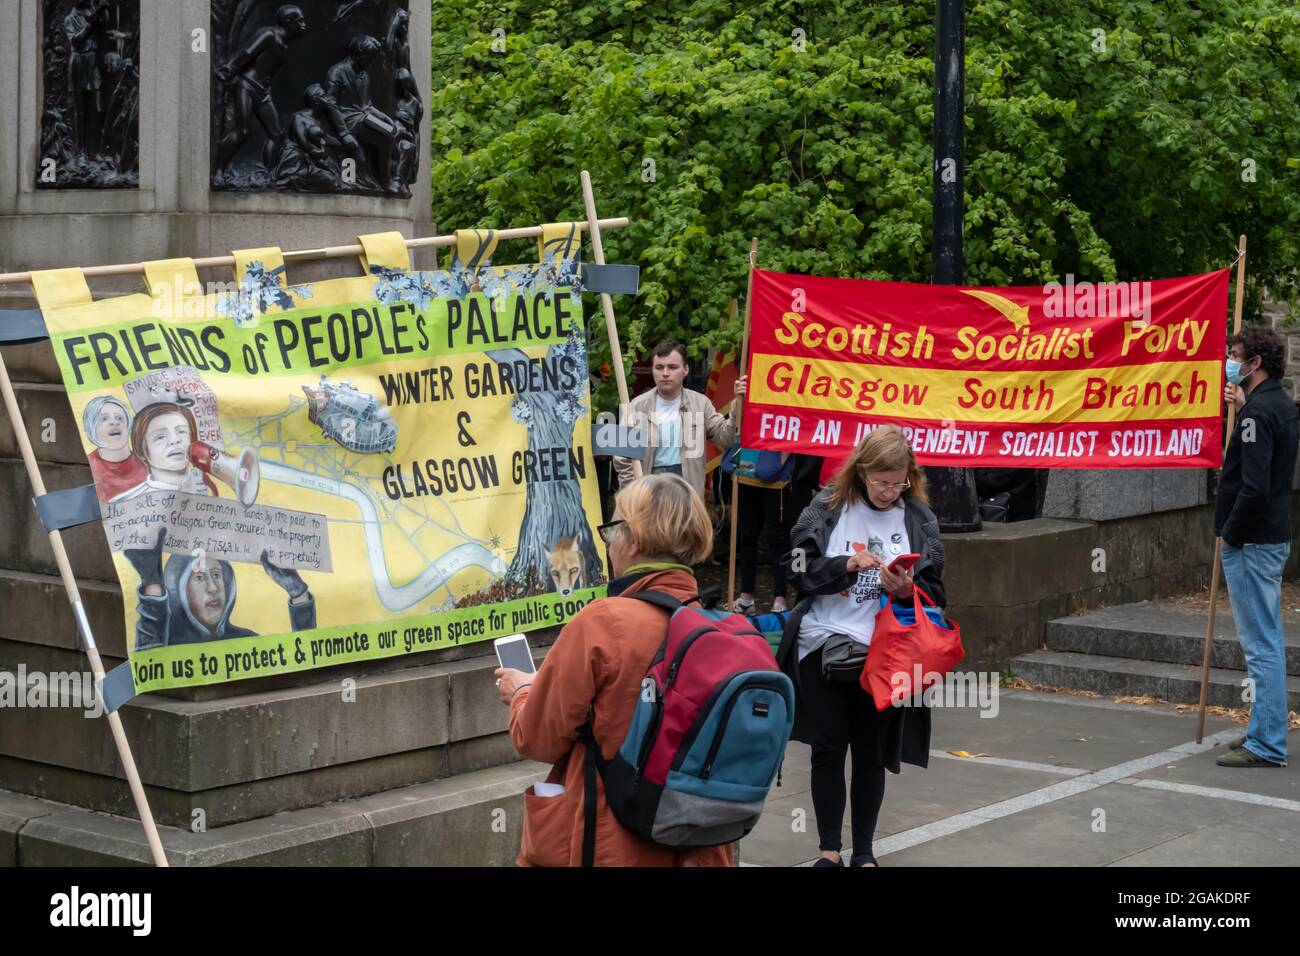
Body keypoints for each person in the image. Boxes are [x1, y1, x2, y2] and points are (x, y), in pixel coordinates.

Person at [494, 473, 731, 866]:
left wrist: (522, 692)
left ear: (633, 539)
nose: (609, 544)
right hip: (699, 842)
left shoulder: (602, 622)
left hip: (612, 840)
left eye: (613, 529)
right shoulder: (718, 627)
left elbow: (538, 738)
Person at [775, 425, 946, 866]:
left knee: (871, 753)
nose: (891, 490)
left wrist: (908, 591)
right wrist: (844, 564)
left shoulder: (919, 520)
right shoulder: (826, 507)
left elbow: (937, 595)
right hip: (823, 645)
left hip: (885, 653)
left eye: (900, 481)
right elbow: (793, 568)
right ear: (862, 471)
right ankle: (829, 851)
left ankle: (865, 853)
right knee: (828, 748)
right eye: (882, 481)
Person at [1214, 327, 1299, 768]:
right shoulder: (1278, 407)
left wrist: (1230, 533)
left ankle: (1266, 743)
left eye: (1236, 355)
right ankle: (1263, 729)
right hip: (1269, 537)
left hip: (1252, 541)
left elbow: (1254, 486)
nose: (1231, 361)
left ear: (1255, 363)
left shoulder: (1256, 416)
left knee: (1260, 644)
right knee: (1266, 640)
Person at [124, 529, 315, 650]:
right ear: (178, 589)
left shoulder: (247, 642)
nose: (213, 588)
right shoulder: (168, 644)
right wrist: (153, 586)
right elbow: (150, 665)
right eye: (199, 578)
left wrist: (298, 593)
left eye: (216, 575)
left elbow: (304, 658)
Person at [613, 340, 746, 501]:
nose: (665, 373)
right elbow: (622, 459)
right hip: (648, 489)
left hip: (688, 489)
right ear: (653, 370)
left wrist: (737, 406)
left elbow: (726, 438)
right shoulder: (637, 406)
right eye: (659, 367)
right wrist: (632, 495)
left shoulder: (700, 404)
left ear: (686, 369)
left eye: (672, 367)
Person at [722, 446, 794, 614]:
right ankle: (746, 596)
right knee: (747, 535)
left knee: (776, 537)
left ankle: (780, 597)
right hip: (746, 471)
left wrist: (782, 459)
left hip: (775, 478)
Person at [111, 402, 218, 501]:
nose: (175, 440)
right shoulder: (126, 503)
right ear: (141, 450)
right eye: (160, 437)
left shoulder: (214, 487)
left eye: (181, 431)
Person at [83, 395, 146, 502]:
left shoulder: (148, 463)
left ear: (128, 425)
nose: (114, 422)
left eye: (119, 418)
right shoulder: (89, 466)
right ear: (91, 428)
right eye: (104, 419)